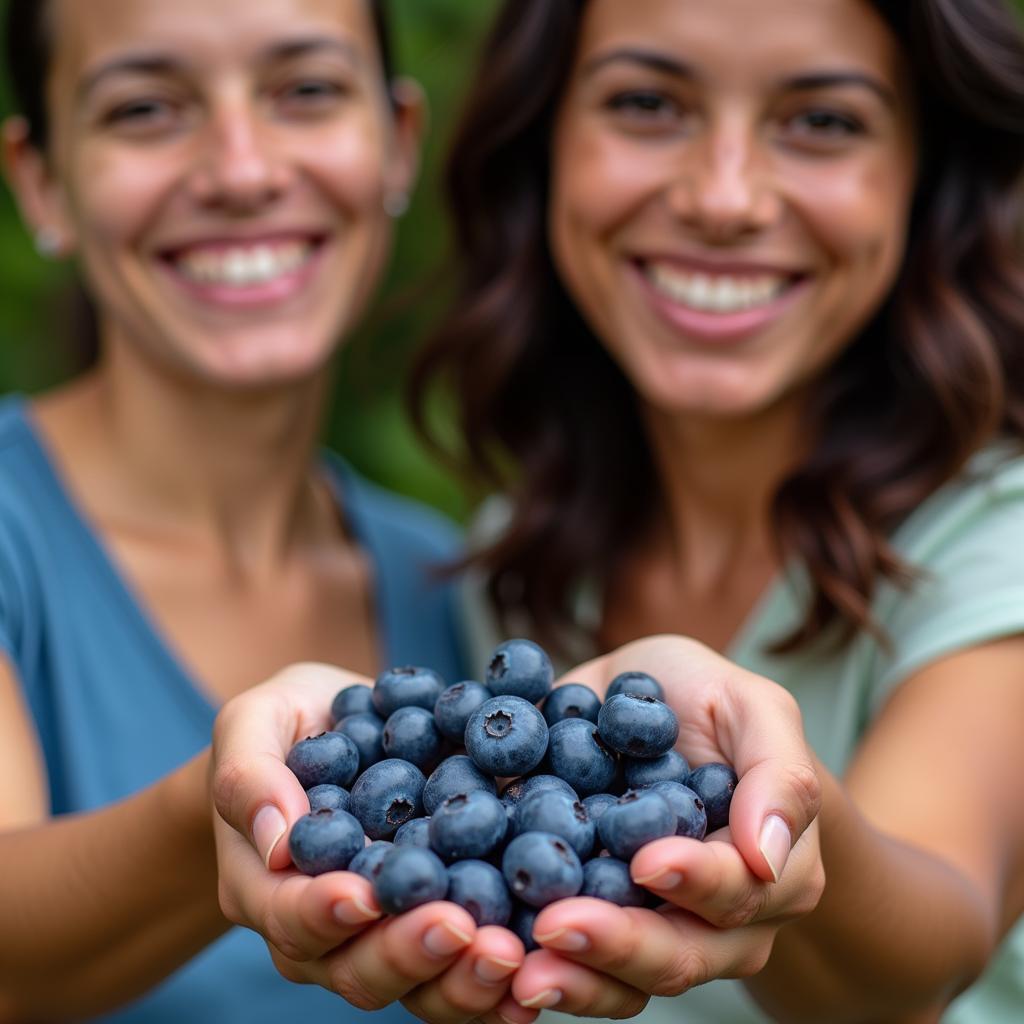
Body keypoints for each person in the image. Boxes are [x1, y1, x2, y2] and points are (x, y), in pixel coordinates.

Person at [403, 0, 1024, 1021]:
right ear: (543, 140)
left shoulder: (993, 540)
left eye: (821, 120)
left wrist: (761, 796)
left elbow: (928, 943)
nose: (723, 197)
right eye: (647, 103)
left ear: (924, 171)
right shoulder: (508, 566)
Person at [0, 1, 525, 1020]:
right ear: (42, 181)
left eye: (307, 92)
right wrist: (228, 806)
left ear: (397, 144)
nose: (241, 170)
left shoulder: (451, 584)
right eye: (146, 108)